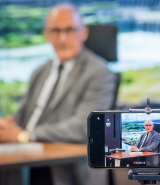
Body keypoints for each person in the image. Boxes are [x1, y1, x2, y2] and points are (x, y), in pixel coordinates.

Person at [0, 3, 115, 185]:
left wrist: (26, 135)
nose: (62, 39)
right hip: (25, 156)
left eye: (69, 30)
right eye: (55, 31)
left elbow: (85, 126)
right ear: (47, 34)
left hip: (64, 164)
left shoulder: (99, 72)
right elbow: (22, 117)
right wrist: (7, 127)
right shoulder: (40, 72)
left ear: (83, 33)